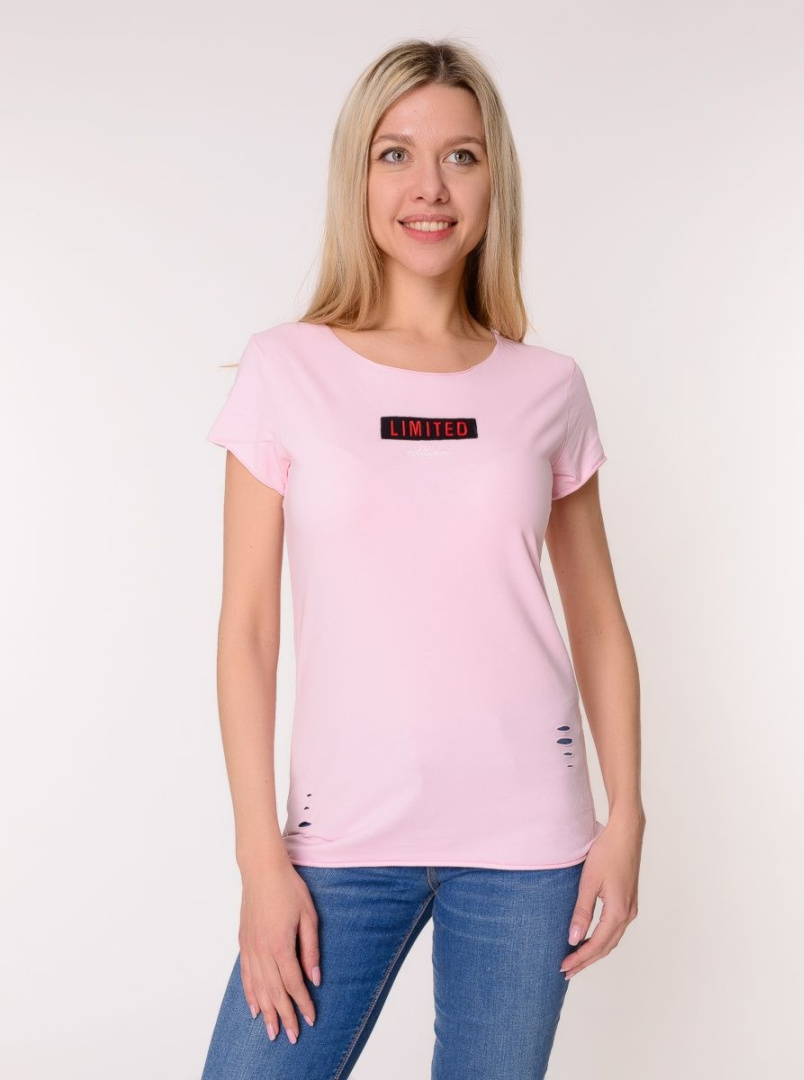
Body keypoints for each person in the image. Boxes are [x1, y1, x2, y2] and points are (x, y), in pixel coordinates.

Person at [200, 37, 644, 1080]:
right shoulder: (286, 369)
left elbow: (597, 623)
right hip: (338, 846)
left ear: (495, 182)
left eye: (462, 156)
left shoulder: (548, 387)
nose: (429, 187)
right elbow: (248, 630)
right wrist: (260, 855)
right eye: (395, 154)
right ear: (358, 176)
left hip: (530, 850)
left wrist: (625, 819)